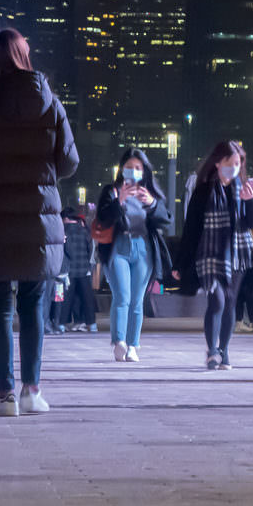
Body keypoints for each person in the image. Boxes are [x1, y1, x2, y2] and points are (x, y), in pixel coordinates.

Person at [0, 27, 78, 416]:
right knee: (34, 307)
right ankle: (32, 391)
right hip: (40, 221)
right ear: (24, 56)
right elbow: (70, 161)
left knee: (1, 306)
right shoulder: (51, 102)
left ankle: (5, 396)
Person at [173, 141, 253, 370]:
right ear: (218, 163)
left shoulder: (242, 189)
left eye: (237, 163)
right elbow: (191, 228)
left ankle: (225, 350)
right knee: (217, 300)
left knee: (230, 302)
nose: (234, 167)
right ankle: (212, 350)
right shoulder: (203, 190)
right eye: (229, 163)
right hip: (209, 254)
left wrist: (250, 201)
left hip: (238, 254)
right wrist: (180, 263)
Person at [96, 148, 173, 361]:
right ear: (122, 169)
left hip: (143, 248)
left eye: (137, 168)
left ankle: (133, 345)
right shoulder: (111, 191)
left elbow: (166, 220)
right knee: (122, 296)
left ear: (145, 170)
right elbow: (102, 217)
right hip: (118, 248)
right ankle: (118, 341)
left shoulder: (150, 193)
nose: (133, 171)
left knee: (137, 300)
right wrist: (119, 200)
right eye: (129, 167)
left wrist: (152, 203)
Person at [57, 206, 97, 333]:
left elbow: (64, 250)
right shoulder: (85, 230)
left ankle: (61, 323)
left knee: (66, 298)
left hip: (68, 270)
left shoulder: (63, 231)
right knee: (87, 298)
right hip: (84, 269)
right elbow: (90, 248)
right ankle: (92, 324)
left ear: (66, 218)